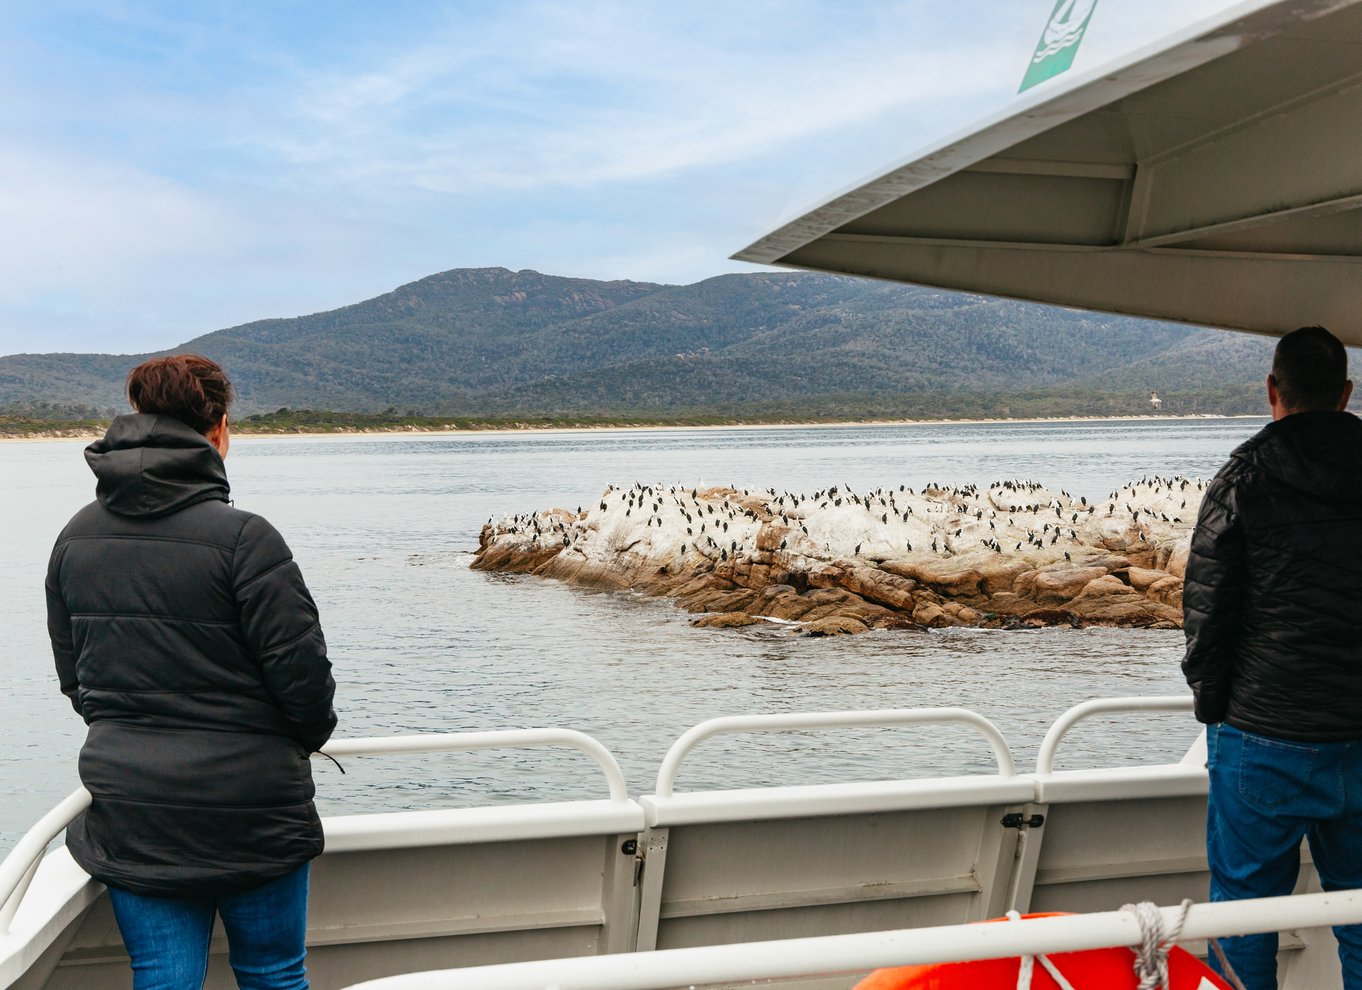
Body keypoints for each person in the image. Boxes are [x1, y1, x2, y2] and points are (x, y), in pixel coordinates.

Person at [46, 354, 337, 990]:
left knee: (164, 979)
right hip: (253, 808)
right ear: (220, 428)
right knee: (274, 976)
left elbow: (79, 683)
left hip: (137, 809)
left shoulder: (75, 538)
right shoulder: (247, 540)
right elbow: (306, 689)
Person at [1183, 325, 1362, 989]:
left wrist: (1218, 713)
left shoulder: (1242, 476)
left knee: (1242, 919)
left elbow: (1207, 614)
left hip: (1264, 734)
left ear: (1271, 391)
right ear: (1346, 392)